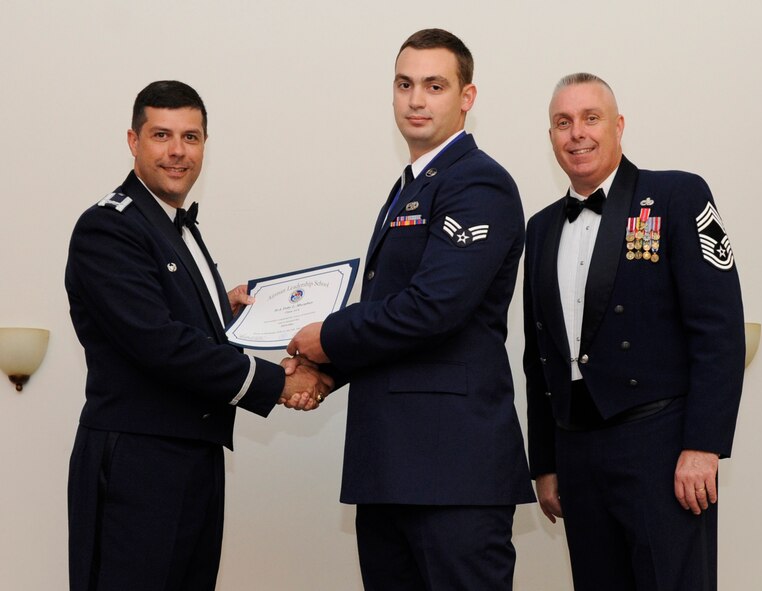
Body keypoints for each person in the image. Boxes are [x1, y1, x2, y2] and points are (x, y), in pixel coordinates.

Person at [287, 29, 534, 591]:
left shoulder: (479, 183)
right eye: (404, 84)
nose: (416, 99)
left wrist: (328, 336)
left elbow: (433, 307)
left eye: (434, 85)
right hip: (391, 466)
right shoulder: (409, 188)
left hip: (453, 470)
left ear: (466, 97)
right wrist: (326, 370)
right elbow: (389, 311)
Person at [65, 80, 332, 591]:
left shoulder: (174, 226)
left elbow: (177, 322)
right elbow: (159, 344)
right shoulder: (108, 227)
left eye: (191, 137)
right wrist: (277, 383)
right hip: (138, 464)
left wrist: (219, 311)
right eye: (161, 135)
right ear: (132, 141)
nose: (177, 151)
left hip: (193, 455)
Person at [523, 72, 745, 590]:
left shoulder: (676, 195)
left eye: (590, 118)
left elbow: (719, 329)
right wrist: (546, 463)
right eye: (563, 122)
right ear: (551, 136)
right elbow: (540, 355)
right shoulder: (540, 227)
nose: (577, 133)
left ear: (619, 126)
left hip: (660, 447)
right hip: (576, 451)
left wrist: (703, 446)